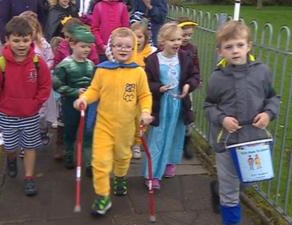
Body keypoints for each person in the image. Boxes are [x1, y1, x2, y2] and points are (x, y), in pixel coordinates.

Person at [204, 21, 280, 225]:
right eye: (228, 47)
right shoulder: (217, 78)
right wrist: (222, 119)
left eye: (239, 45)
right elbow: (209, 106)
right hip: (228, 142)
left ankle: (218, 188)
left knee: (248, 180)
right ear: (220, 51)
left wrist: (268, 114)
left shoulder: (262, 71)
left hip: (254, 140)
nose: (235, 51)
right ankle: (230, 214)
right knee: (230, 191)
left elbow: (273, 97)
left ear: (249, 46)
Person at [73, 27, 153, 216]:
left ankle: (120, 177)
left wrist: (146, 111)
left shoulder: (138, 73)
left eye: (128, 46)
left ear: (134, 48)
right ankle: (102, 197)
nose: (123, 49)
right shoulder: (102, 70)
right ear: (112, 47)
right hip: (104, 125)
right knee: (99, 161)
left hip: (126, 126)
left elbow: (144, 95)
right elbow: (94, 90)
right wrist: (84, 99)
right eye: (118, 46)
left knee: (123, 156)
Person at [0, 16, 52, 196]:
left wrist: (36, 103)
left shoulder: (38, 62)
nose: (21, 44)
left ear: (32, 39)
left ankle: (29, 177)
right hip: (6, 115)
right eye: (16, 40)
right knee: (10, 146)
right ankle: (12, 160)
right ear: (7, 40)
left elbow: (45, 86)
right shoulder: (0, 64)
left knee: (30, 146)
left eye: (25, 40)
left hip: (30, 115)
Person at [143, 22, 200, 190]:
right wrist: (158, 88)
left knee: (176, 135)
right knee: (158, 138)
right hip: (161, 106)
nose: (177, 43)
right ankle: (152, 174)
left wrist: (188, 86)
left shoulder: (185, 57)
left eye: (179, 39)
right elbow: (147, 82)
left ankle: (169, 162)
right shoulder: (153, 60)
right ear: (162, 42)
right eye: (172, 40)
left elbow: (194, 76)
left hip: (179, 105)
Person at [53, 25, 95, 175]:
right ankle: (69, 155)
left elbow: (95, 84)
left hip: (88, 105)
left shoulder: (91, 65)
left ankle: (89, 162)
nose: (86, 50)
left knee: (88, 133)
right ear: (72, 45)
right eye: (83, 46)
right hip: (70, 104)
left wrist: (91, 93)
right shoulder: (65, 64)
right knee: (70, 131)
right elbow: (56, 84)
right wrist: (74, 91)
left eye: (88, 47)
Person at [20, 11, 58, 147]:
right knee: (28, 109)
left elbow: (51, 59)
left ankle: (42, 130)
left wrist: (43, 69)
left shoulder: (43, 44)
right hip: (26, 84)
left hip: (41, 82)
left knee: (42, 109)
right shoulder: (21, 45)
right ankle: (27, 133)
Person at [130, 20, 156, 159]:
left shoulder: (151, 53)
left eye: (140, 37)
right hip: (129, 91)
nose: (137, 40)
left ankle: (137, 144)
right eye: (134, 37)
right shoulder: (128, 52)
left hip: (144, 92)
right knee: (129, 119)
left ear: (146, 38)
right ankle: (128, 141)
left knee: (140, 119)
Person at [177, 17, 200, 160]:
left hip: (187, 86)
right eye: (184, 35)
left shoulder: (192, 49)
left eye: (189, 35)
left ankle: (186, 141)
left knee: (187, 114)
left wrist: (197, 79)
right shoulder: (173, 46)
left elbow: (196, 65)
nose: (187, 38)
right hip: (173, 85)